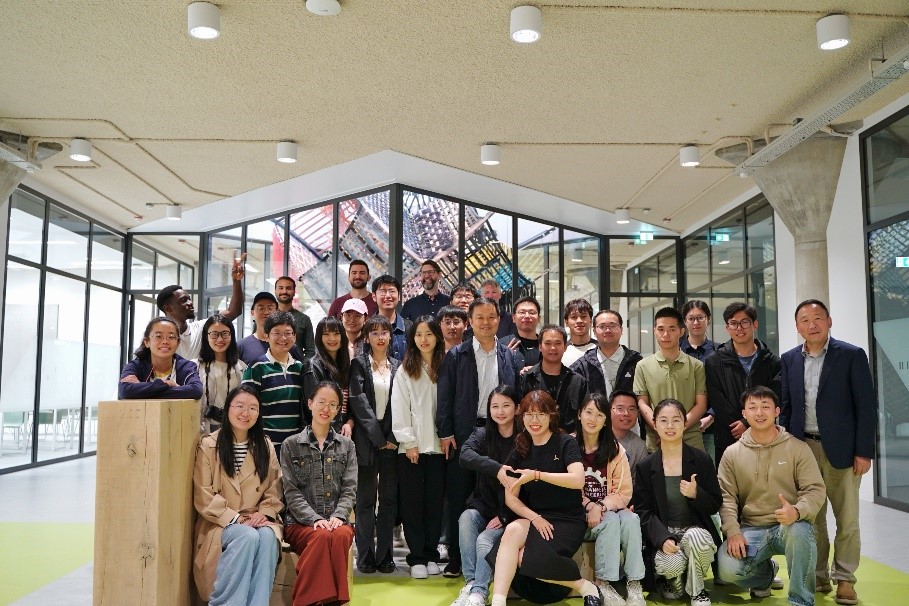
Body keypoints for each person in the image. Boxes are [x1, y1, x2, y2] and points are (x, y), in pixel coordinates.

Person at [780, 299, 876, 605]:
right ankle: (818, 575)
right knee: (813, 518)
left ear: (829, 321)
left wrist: (864, 451)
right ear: (797, 326)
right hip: (803, 449)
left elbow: (866, 406)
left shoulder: (850, 355)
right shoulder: (789, 359)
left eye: (818, 318)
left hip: (844, 450)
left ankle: (845, 579)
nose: (812, 325)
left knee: (847, 519)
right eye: (805, 320)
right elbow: (787, 408)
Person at [486, 390, 603, 606]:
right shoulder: (521, 448)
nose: (535, 420)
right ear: (522, 417)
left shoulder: (565, 442)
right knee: (512, 530)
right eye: (529, 414)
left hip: (567, 519)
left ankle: (585, 586)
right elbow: (511, 499)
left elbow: (578, 480)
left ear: (551, 416)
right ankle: (498, 602)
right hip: (537, 518)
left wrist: (537, 475)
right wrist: (534, 517)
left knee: (524, 558)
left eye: (541, 414)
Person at [718, 386, 826, 606]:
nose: (759, 413)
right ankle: (766, 575)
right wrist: (733, 531)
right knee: (727, 570)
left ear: (777, 411)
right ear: (744, 413)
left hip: (788, 526)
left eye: (765, 407)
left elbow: (815, 489)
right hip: (751, 528)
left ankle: (801, 601)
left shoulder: (798, 448)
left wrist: (797, 511)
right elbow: (726, 498)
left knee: (801, 531)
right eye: (753, 407)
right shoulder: (732, 454)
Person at [437, 297, 521, 577]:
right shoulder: (456, 355)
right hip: (464, 432)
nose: (486, 322)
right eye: (480, 318)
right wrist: (445, 432)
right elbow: (445, 396)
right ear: (470, 322)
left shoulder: (509, 356)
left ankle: (495, 557)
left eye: (491, 317)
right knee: (458, 493)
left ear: (499, 320)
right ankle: (457, 558)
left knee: (496, 491)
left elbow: (516, 396)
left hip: (500, 431)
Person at [191, 385, 283, 605]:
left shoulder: (265, 446)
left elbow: (274, 488)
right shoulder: (209, 445)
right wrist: (236, 518)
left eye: (253, 408)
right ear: (228, 408)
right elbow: (203, 495)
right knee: (247, 536)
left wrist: (265, 513)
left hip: (256, 518)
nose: (245, 413)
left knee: (268, 536)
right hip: (219, 522)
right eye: (239, 406)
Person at [633, 399, 721, 606]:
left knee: (697, 537)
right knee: (671, 566)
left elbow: (715, 503)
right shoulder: (646, 466)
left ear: (685, 423)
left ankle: (697, 590)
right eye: (664, 420)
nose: (670, 426)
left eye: (676, 420)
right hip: (666, 533)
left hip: (694, 531)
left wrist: (696, 494)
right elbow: (643, 511)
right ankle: (675, 581)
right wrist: (662, 538)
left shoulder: (701, 460)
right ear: (655, 424)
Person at [281, 380, 358, 606]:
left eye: (333, 405)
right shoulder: (290, 445)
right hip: (300, 523)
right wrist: (314, 519)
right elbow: (291, 492)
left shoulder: (347, 446)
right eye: (321, 402)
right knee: (322, 536)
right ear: (310, 403)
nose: (326, 409)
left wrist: (339, 516)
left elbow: (350, 488)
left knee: (341, 535)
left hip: (336, 520)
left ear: (338, 410)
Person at [452, 385, 520, 606]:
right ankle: (471, 584)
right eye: (495, 406)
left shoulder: (524, 438)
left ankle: (479, 592)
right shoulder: (483, 433)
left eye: (506, 405)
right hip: (484, 504)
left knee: (484, 539)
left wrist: (504, 516)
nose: (500, 411)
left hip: (513, 510)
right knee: (466, 518)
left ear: (517, 408)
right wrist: (496, 469)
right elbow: (465, 455)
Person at [577, 392, 646, 606]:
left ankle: (634, 583)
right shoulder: (569, 445)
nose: (593, 419)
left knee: (631, 520)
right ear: (579, 414)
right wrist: (590, 505)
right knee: (611, 520)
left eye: (599, 415)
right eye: (588, 412)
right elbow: (568, 488)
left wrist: (600, 505)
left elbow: (624, 492)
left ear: (606, 420)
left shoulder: (615, 449)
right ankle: (603, 583)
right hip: (578, 514)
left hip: (607, 510)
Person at [392, 315, 446, 578]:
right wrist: (409, 441)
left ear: (437, 337)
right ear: (412, 339)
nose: (424, 340)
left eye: (429, 334)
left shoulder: (446, 366)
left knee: (434, 503)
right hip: (412, 448)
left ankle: (431, 553)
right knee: (412, 504)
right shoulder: (405, 370)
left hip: (440, 446)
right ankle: (416, 558)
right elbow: (400, 407)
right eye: (418, 335)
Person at [349, 314, 401, 573]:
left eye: (384, 332)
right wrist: (378, 437)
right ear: (367, 337)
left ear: (390, 335)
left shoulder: (398, 365)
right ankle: (366, 555)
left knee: (389, 500)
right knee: (365, 500)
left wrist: (391, 437)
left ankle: (385, 555)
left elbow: (401, 402)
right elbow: (358, 402)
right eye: (374, 332)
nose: (380, 337)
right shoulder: (358, 364)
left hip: (391, 440)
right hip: (367, 440)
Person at [705, 302, 781, 467]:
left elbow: (775, 397)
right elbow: (717, 399)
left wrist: (747, 423)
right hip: (729, 435)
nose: (739, 328)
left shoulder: (772, 361)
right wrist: (738, 425)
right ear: (727, 328)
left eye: (745, 322)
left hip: (764, 435)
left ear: (755, 324)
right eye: (733, 323)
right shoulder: (715, 361)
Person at [633, 307, 708, 452]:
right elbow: (643, 403)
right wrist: (662, 429)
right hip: (656, 441)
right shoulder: (642, 366)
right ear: (654, 331)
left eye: (672, 329)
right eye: (661, 329)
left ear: (681, 331)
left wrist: (677, 429)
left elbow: (701, 405)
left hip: (690, 440)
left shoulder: (696, 366)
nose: (666, 334)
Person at [157, 253, 246, 360]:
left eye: (189, 299)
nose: (190, 303)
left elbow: (233, 311)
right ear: (168, 308)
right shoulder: (157, 337)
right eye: (183, 300)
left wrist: (236, 281)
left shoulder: (200, 328)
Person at [241, 311, 306, 457]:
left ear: (295, 337)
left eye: (288, 333)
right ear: (267, 336)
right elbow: (247, 407)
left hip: (295, 447)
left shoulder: (300, 368)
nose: (283, 338)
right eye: (276, 333)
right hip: (265, 447)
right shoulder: (256, 367)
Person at [519, 325, 588, 434]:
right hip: (535, 440)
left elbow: (585, 415)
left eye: (558, 343)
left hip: (569, 441)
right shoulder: (528, 378)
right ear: (540, 347)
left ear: (565, 347)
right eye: (548, 343)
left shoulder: (578, 381)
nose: (553, 348)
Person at [118, 317, 202, 400]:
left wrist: (141, 390)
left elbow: (195, 391)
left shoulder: (187, 366)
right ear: (147, 342)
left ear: (178, 342)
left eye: (171, 337)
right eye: (158, 336)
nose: (165, 341)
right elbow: (125, 391)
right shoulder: (135, 366)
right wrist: (167, 384)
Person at [570, 309, 642, 398]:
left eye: (613, 326)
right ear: (594, 331)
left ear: (621, 329)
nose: (608, 330)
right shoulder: (581, 366)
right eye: (602, 326)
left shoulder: (636, 362)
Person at [680, 301, 718, 463]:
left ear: (708, 319)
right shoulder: (675, 350)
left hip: (710, 427)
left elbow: (723, 389)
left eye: (700, 318)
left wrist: (711, 416)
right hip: (680, 427)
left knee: (707, 470)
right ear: (685, 321)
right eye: (691, 318)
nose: (696, 322)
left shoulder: (719, 352)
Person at [196, 314, 247, 433]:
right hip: (201, 430)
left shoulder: (241, 368)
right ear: (206, 336)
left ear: (231, 336)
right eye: (214, 334)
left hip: (233, 430)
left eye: (225, 334)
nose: (220, 339)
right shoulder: (195, 367)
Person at [303, 316, 353, 436]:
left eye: (336, 333)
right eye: (326, 334)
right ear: (319, 338)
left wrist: (349, 422)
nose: (332, 338)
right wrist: (333, 433)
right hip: (323, 434)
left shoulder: (344, 365)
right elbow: (316, 408)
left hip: (344, 433)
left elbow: (349, 402)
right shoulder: (313, 366)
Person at [238, 291, 303, 367]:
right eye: (261, 308)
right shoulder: (241, 346)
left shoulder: (286, 344)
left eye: (270, 308)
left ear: (277, 311)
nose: (266, 312)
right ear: (252, 313)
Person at [274, 276, 316, 361]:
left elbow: (310, 351)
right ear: (275, 291)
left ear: (294, 292)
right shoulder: (266, 318)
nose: (284, 291)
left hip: (296, 367)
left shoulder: (304, 319)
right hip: (269, 367)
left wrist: (302, 366)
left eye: (288, 288)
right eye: (281, 288)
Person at [372, 274, 410, 361]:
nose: (388, 296)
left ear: (399, 296)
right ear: (374, 296)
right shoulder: (367, 327)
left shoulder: (409, 326)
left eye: (392, 291)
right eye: (383, 291)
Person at [609, 390, 648, 473]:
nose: (626, 413)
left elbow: (639, 478)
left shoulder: (639, 446)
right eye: (620, 409)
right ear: (609, 411)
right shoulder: (596, 437)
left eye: (631, 409)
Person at [562, 298, 597, 367]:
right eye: (574, 317)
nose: (579, 321)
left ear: (590, 321)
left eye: (583, 316)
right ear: (566, 322)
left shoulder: (600, 348)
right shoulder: (561, 350)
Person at [509, 296, 541, 368]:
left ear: (539, 318)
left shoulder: (546, 345)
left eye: (532, 312)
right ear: (514, 318)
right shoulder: (503, 345)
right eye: (522, 312)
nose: (527, 316)